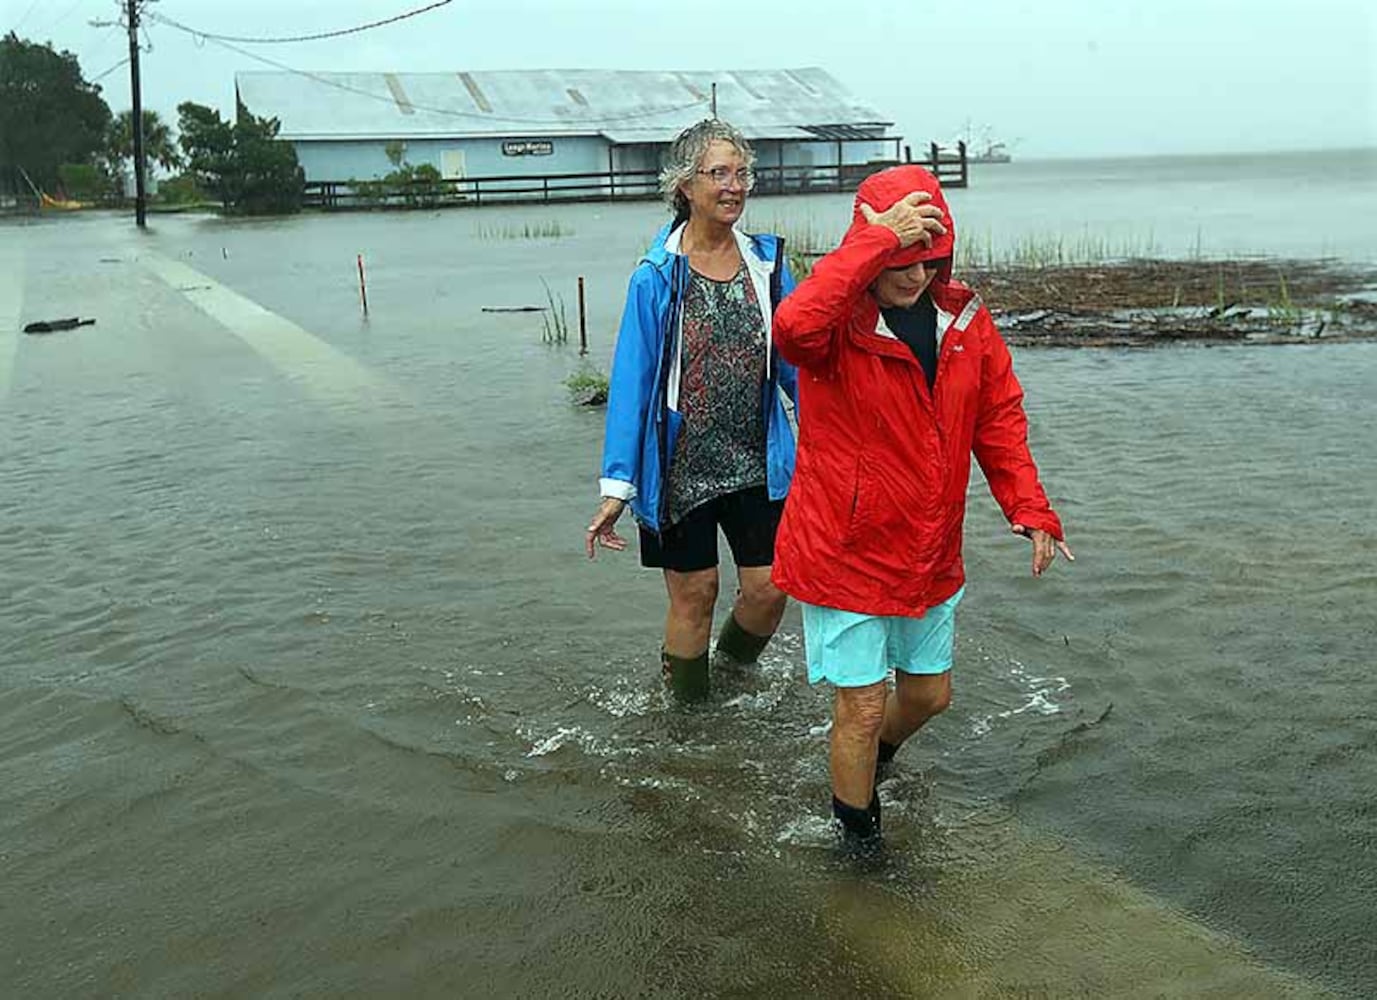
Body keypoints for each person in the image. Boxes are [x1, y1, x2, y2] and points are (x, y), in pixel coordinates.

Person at [771, 164, 1074, 848]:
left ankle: (872, 762)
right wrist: (875, 242)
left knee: (929, 695)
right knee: (859, 704)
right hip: (842, 546)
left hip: (927, 546)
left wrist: (1028, 506)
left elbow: (998, 416)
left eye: (929, 260)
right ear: (873, 245)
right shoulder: (834, 326)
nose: (915, 276)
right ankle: (858, 844)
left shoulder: (962, 319)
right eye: (903, 260)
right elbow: (790, 327)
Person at [585, 119, 799, 701]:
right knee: (696, 593)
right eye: (719, 174)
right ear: (685, 185)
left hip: (756, 457)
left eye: (742, 173)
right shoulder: (656, 277)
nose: (734, 186)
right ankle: (685, 716)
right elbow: (632, 384)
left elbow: (796, 361)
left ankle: (729, 675)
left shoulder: (769, 265)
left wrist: (838, 431)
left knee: (769, 588)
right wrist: (617, 487)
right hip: (679, 468)